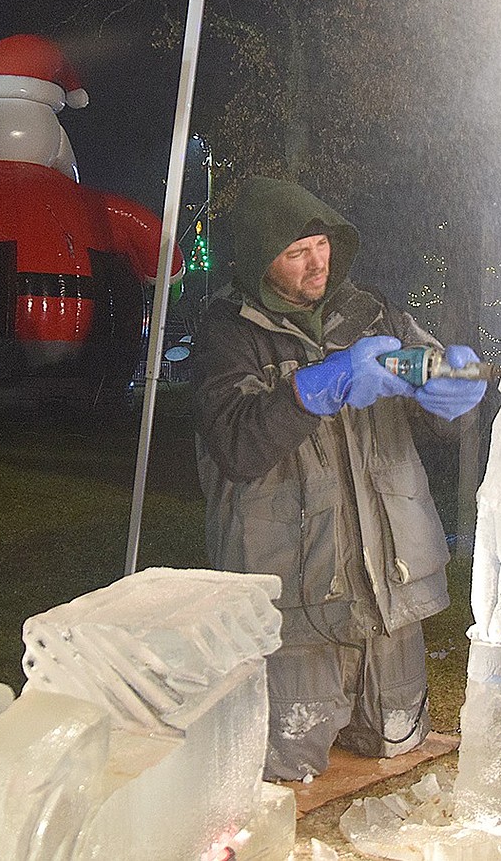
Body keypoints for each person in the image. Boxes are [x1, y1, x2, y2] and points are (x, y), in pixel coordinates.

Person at [192, 176, 485, 782]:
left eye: (320, 244)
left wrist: (452, 396)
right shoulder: (228, 330)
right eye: (296, 253)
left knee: (397, 748)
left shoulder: (373, 312)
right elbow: (236, 445)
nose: (316, 262)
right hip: (299, 586)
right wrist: (315, 388)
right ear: (259, 262)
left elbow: (439, 421)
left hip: (389, 589)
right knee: (286, 767)